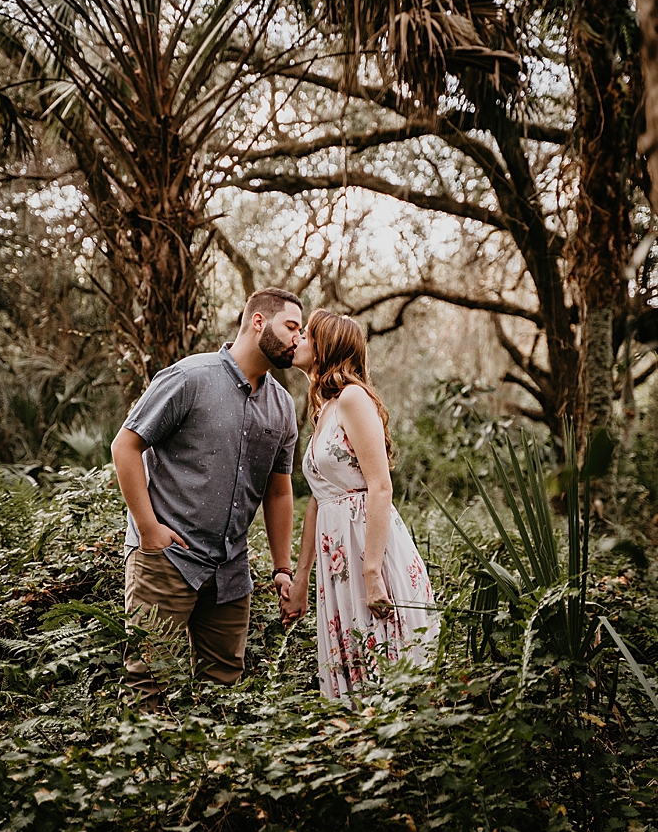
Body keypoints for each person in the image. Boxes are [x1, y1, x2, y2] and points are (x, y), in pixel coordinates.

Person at [110, 287, 302, 700]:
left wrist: (282, 568)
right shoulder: (190, 377)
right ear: (257, 321)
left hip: (231, 569)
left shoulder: (283, 407)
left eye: (300, 331)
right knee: (148, 682)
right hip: (167, 557)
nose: (297, 339)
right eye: (291, 326)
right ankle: (144, 765)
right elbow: (125, 446)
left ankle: (209, 767)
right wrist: (148, 530)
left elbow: (278, 493)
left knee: (225, 689)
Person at [280, 309, 438, 699]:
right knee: (350, 671)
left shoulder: (353, 399)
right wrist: (301, 578)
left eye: (306, 334)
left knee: (385, 670)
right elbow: (319, 499)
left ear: (326, 345)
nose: (297, 339)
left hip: (369, 552)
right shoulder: (323, 411)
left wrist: (371, 572)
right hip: (337, 556)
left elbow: (380, 485)